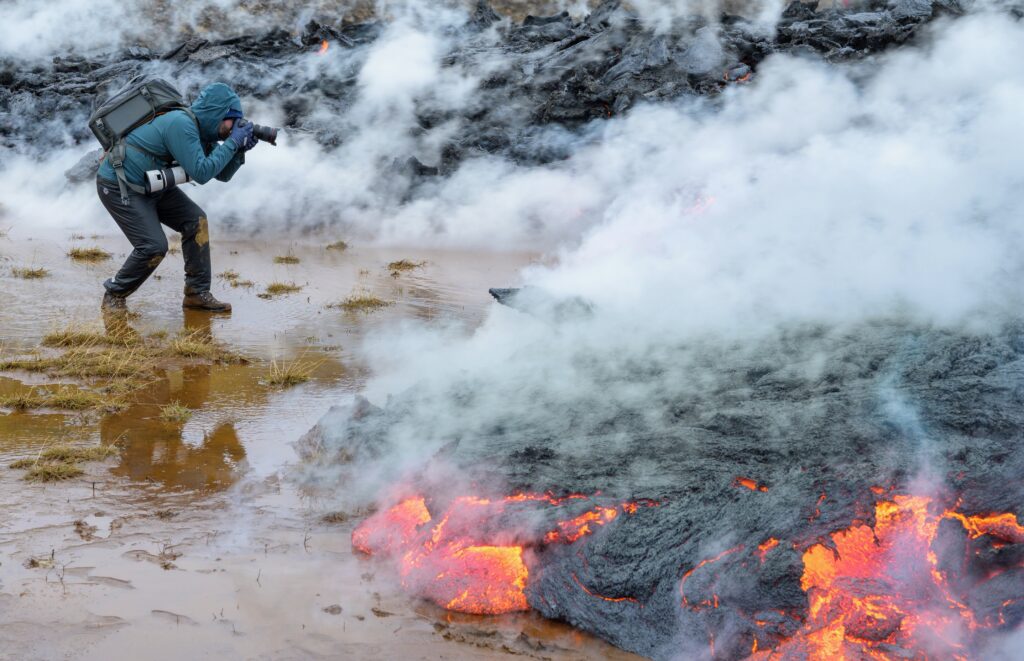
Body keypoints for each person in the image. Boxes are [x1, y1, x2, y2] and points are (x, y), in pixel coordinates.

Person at [96, 82, 258, 313]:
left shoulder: (203, 132)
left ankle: (196, 294)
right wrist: (233, 143)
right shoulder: (181, 124)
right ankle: (114, 294)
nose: (233, 127)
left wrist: (238, 151)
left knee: (196, 222)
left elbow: (222, 174)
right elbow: (201, 173)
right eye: (233, 120)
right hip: (119, 184)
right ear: (219, 115)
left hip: (153, 184)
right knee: (153, 246)